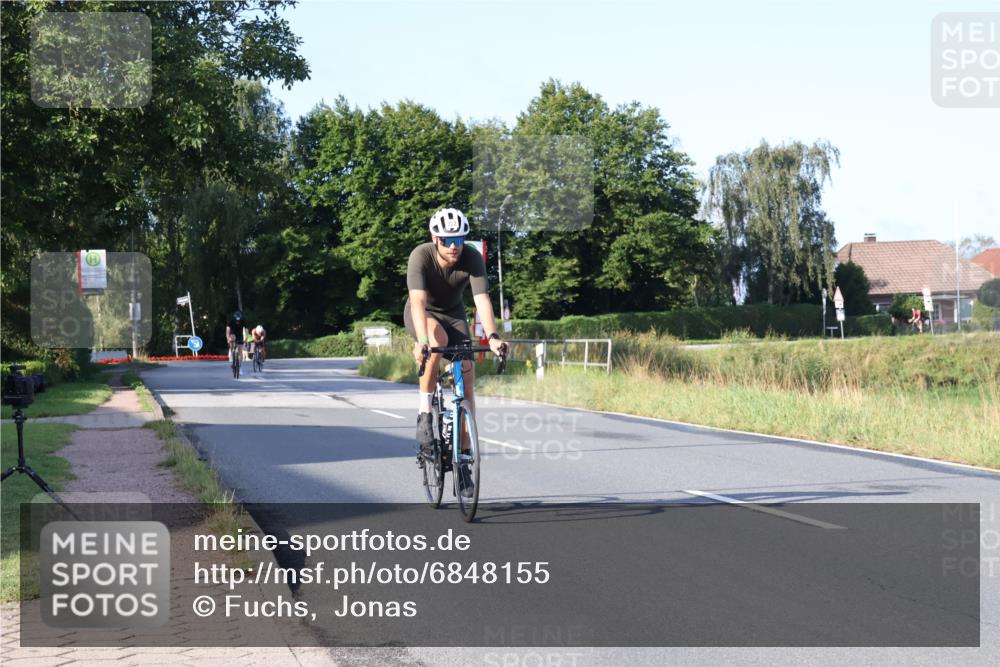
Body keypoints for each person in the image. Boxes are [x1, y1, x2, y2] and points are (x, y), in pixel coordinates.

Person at [405, 207, 506, 496]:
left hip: (454, 315)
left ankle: (463, 462)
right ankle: (425, 414)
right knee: (435, 339)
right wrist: (422, 340)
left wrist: (493, 337)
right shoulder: (420, 256)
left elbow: (482, 300)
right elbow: (417, 301)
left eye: (459, 239)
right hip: (422, 314)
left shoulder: (472, 257)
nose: (454, 246)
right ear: (435, 239)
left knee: (467, 378)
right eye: (448, 240)